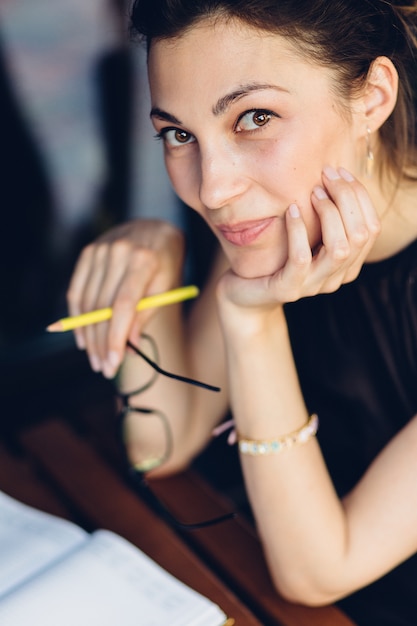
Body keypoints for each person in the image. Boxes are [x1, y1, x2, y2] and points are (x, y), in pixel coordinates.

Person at [66, 1, 417, 623]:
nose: (211, 189)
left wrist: (250, 320)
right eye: (179, 134)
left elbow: (317, 571)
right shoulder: (270, 221)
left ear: (371, 98)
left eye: (254, 117)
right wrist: (157, 255)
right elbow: (159, 442)